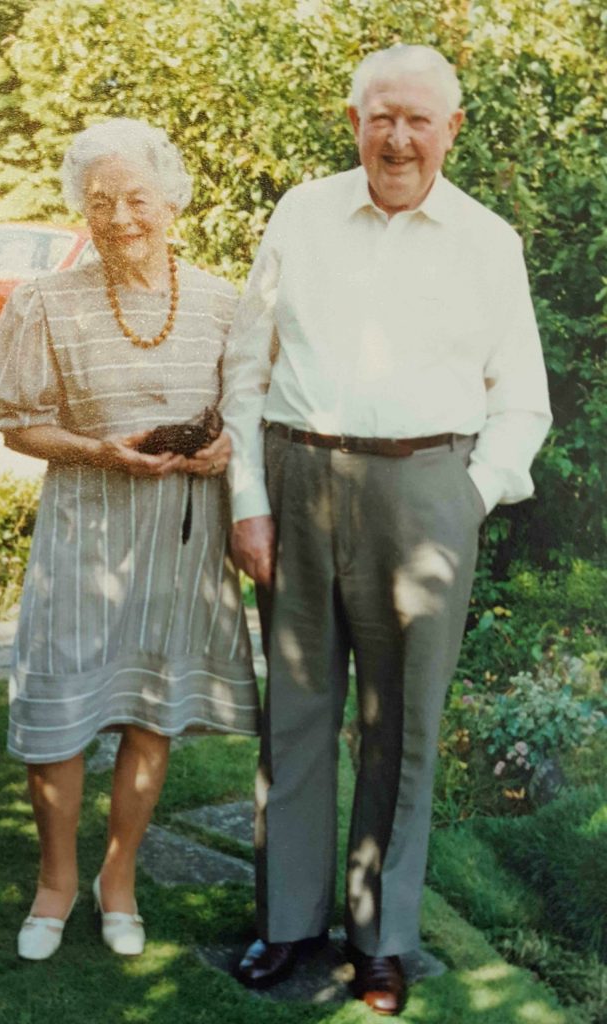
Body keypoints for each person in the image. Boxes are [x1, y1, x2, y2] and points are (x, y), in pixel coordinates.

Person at [221, 44, 551, 1015]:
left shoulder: (487, 242)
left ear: (451, 128)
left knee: (401, 725)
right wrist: (248, 495)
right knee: (295, 710)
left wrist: (468, 496)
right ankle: (286, 921)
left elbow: (520, 400)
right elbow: (245, 366)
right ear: (354, 120)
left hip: (425, 490)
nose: (396, 137)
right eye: (380, 116)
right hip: (297, 477)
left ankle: (381, 938)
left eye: (417, 118)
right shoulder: (301, 213)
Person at [0, 118, 258, 961]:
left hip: (179, 537)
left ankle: (119, 878)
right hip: (83, 529)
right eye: (99, 202)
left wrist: (227, 446)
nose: (120, 216)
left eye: (137, 197)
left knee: (151, 713)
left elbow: (248, 409)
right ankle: (56, 882)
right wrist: (93, 451)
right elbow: (15, 422)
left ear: (172, 199)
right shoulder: (42, 302)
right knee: (58, 715)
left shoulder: (221, 300)